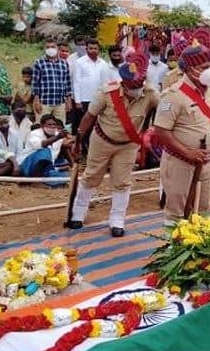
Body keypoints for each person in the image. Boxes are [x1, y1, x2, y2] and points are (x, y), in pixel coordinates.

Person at [68, 53, 160, 236]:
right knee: (92, 175)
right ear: (124, 84)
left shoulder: (149, 93)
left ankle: (117, 220)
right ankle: (78, 213)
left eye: (139, 85)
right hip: (102, 140)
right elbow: (89, 116)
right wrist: (78, 139)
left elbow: (166, 110)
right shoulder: (107, 92)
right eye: (132, 87)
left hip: (127, 146)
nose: (137, 90)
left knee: (122, 181)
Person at [153, 36, 210, 226]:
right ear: (190, 69)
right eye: (204, 67)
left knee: (203, 208)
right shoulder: (173, 95)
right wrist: (187, 151)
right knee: (177, 213)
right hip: (180, 162)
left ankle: (198, 252)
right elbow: (161, 130)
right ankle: (174, 251)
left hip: (205, 160)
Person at [17, 113, 74, 185]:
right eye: (49, 124)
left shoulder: (58, 134)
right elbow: (42, 144)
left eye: (54, 124)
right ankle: (35, 182)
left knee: (66, 176)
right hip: (28, 165)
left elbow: (69, 143)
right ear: (42, 126)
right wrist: (57, 138)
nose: (52, 126)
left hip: (47, 168)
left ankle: (39, 181)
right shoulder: (34, 133)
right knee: (45, 151)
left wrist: (75, 137)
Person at [31, 39, 72, 124]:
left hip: (60, 102)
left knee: (60, 126)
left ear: (57, 48)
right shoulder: (39, 63)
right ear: (44, 49)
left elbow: (67, 83)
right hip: (44, 102)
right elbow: (35, 83)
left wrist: (68, 100)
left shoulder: (64, 63)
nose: (50, 49)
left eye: (53, 47)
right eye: (48, 47)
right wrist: (36, 100)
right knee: (41, 125)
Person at [72, 38, 109, 132]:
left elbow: (105, 83)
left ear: (98, 50)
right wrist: (77, 101)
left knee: (95, 126)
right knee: (83, 125)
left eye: (95, 48)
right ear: (86, 49)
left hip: (98, 99)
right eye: (90, 48)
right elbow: (76, 81)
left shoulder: (103, 64)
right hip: (84, 99)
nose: (93, 50)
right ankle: (81, 144)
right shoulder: (80, 62)